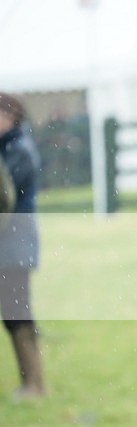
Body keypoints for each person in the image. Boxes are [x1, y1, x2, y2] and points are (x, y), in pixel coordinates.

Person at [0, 92, 45, 398]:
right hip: (9, 242)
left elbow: (7, 198)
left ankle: (34, 384)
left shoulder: (20, 150)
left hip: (14, 243)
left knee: (18, 313)